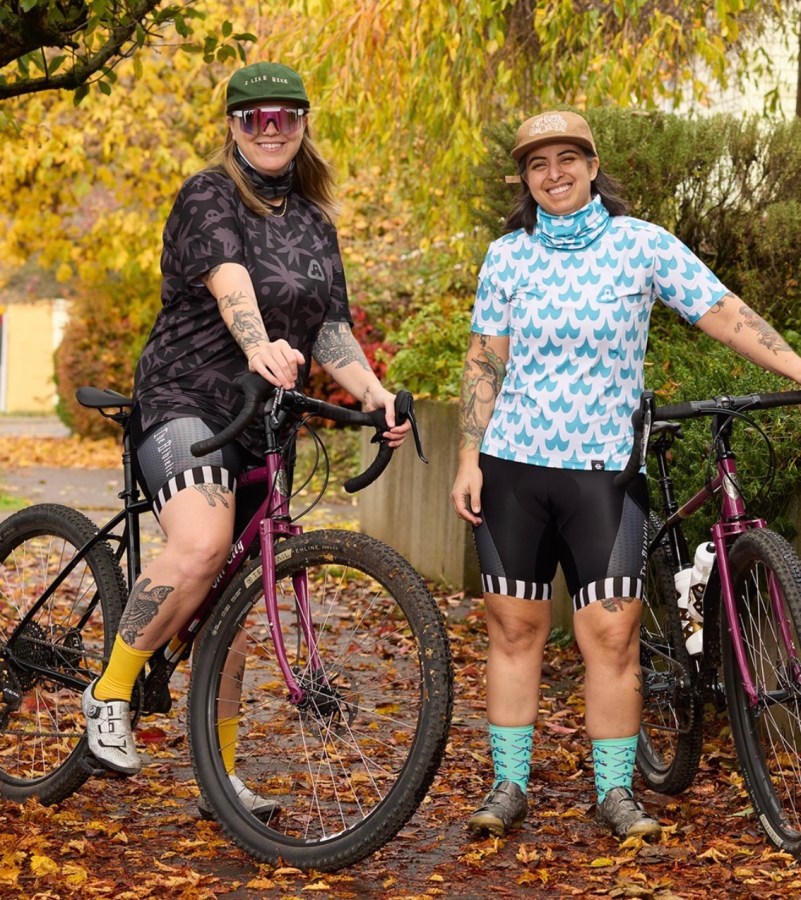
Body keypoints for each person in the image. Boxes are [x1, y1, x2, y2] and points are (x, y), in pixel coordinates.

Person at [450, 110, 801, 841]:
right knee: (514, 629)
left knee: (610, 634)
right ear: (525, 176)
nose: (554, 174)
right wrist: (465, 457)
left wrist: (798, 368)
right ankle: (507, 785)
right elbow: (485, 358)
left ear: (591, 163)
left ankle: (613, 793)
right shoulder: (506, 256)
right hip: (512, 466)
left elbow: (722, 312)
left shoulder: (642, 246)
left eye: (567, 159)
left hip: (604, 474)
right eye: (538, 163)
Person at [81, 62, 409, 814]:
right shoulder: (209, 193)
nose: (270, 129)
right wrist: (258, 344)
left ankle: (219, 780)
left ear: (303, 123)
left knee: (231, 606)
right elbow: (229, 279)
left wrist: (376, 394)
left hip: (265, 423)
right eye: (253, 117)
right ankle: (110, 692)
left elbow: (330, 331)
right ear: (232, 126)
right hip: (186, 400)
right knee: (200, 546)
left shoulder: (315, 224)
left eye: (284, 116)